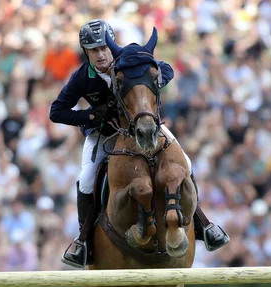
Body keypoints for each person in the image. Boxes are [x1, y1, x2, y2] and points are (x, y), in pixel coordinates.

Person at [49, 19, 229, 268]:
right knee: (87, 177)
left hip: (143, 126)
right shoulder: (82, 77)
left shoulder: (129, 60)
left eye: (103, 48)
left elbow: (166, 69)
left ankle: (202, 224)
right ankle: (84, 242)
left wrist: (149, 87)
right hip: (105, 133)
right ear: (86, 53)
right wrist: (91, 115)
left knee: (185, 161)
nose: (101, 54)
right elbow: (56, 112)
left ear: (111, 46)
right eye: (94, 50)